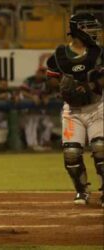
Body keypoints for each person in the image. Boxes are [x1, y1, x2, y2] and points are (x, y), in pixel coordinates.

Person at [46, 13, 104, 207]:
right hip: (72, 109)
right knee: (71, 153)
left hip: (97, 106)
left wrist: (91, 82)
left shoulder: (99, 53)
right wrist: (63, 86)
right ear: (79, 29)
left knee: (100, 148)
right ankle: (81, 191)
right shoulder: (60, 55)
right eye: (89, 27)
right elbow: (52, 79)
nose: (94, 32)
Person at [20, 67, 54, 151]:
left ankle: (43, 143)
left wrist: (46, 97)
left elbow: (50, 93)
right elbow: (22, 92)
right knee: (32, 123)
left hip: (41, 110)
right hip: (27, 108)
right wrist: (32, 97)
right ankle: (31, 144)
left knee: (49, 125)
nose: (41, 74)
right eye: (40, 72)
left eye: (43, 72)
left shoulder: (46, 82)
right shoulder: (29, 80)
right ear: (36, 72)